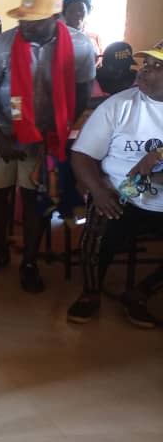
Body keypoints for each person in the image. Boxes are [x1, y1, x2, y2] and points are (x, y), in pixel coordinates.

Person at [0, 0, 97, 293]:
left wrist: (58, 131)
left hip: (43, 137)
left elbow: (83, 93)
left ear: (56, 18)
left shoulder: (80, 46)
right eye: (22, 19)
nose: (25, 25)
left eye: (34, 20)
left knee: (34, 198)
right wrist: (0, 140)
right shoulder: (0, 46)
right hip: (1, 129)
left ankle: (29, 261)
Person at [66, 41, 163, 326]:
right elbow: (82, 155)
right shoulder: (120, 105)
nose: (144, 71)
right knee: (98, 225)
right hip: (123, 193)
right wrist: (98, 191)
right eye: (145, 64)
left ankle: (141, 292)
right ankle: (90, 292)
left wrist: (155, 160)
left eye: (156, 66)